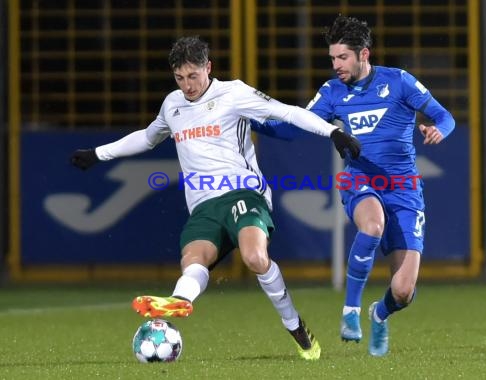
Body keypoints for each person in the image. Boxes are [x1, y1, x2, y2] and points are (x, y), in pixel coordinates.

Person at [70, 35, 360, 361]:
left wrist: (333, 132)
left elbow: (287, 112)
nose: (188, 85)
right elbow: (149, 138)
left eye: (193, 76)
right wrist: (98, 154)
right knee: (193, 259)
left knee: (254, 258)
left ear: (208, 67)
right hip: (204, 205)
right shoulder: (172, 104)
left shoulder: (233, 93)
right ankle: (179, 301)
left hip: (243, 192)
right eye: (180, 78)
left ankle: (294, 326)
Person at [251, 15, 455, 356]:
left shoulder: (400, 82)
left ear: (364, 54)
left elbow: (445, 117)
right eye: (332, 58)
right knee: (372, 225)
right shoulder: (332, 92)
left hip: (404, 189)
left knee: (403, 291)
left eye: (342, 57)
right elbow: (293, 128)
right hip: (359, 179)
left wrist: (438, 130)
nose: (336, 65)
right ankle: (351, 312)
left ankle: (379, 313)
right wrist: (251, 118)